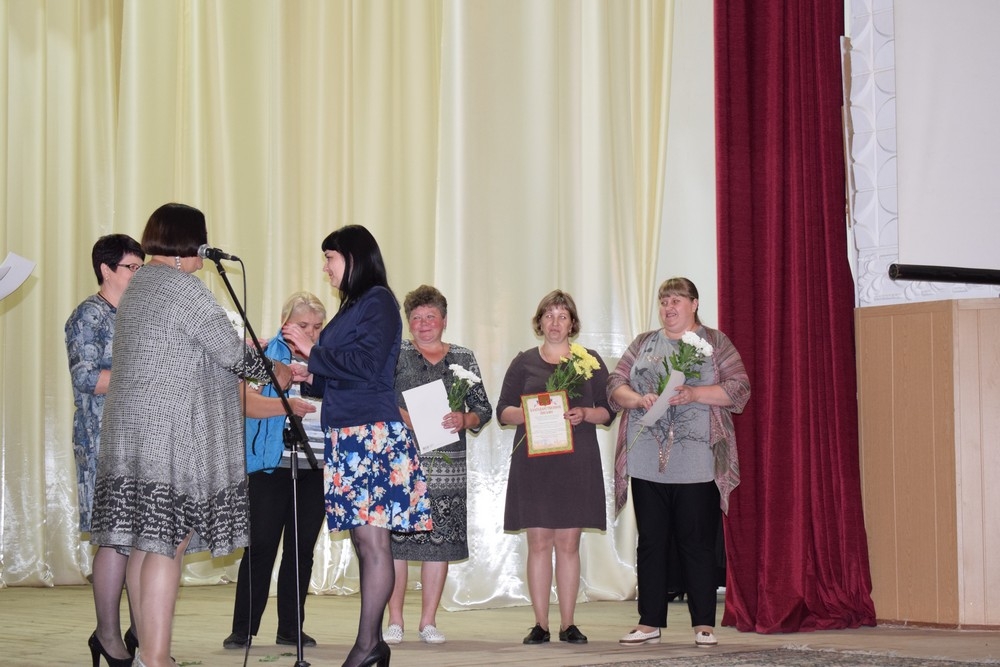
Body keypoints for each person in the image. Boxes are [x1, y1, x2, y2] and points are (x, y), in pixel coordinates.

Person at [89, 203, 292, 667]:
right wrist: (276, 370)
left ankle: (148, 654)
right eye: (202, 239)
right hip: (170, 433)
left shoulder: (141, 284)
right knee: (168, 543)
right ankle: (156, 657)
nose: (206, 248)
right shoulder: (183, 288)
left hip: (134, 434)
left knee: (148, 542)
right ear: (187, 243)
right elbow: (232, 354)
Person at [282, 225, 432, 667]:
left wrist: (313, 350)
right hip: (349, 434)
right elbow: (342, 375)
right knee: (366, 544)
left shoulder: (378, 301)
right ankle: (373, 645)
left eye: (330, 257)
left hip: (371, 435)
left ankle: (367, 645)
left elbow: (367, 366)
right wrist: (309, 372)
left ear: (353, 257)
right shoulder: (352, 306)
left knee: (373, 544)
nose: (326, 268)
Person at [607, 276, 750, 649]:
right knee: (651, 542)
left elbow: (739, 388)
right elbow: (615, 384)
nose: (668, 308)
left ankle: (703, 624)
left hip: (697, 461)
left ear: (694, 304)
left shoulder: (715, 342)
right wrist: (637, 399)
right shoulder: (644, 343)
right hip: (645, 459)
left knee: (696, 543)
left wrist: (695, 393)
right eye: (663, 301)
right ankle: (648, 622)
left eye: (676, 301)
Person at [496, 289, 614, 646]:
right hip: (535, 465)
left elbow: (608, 409)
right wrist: (527, 414)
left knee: (568, 543)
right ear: (539, 322)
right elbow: (502, 411)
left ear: (572, 323)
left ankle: (568, 623)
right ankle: (540, 624)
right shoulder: (524, 362)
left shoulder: (589, 361)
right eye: (549, 315)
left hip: (576, 463)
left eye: (562, 316)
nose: (555, 322)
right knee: (538, 543)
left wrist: (586, 413)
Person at [384, 285, 493, 645]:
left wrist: (465, 419)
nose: (423, 323)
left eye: (430, 316)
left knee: (440, 543)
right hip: (401, 462)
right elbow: (377, 397)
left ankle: (428, 621)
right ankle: (394, 620)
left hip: (448, 468)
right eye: (416, 317)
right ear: (408, 322)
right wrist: (403, 416)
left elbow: (483, 408)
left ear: (444, 320)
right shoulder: (395, 354)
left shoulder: (463, 356)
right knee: (396, 546)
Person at [223, 292, 328, 651]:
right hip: (271, 465)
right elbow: (244, 401)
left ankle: (291, 628)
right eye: (303, 325)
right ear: (285, 324)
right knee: (261, 546)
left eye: (317, 326)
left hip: (316, 466)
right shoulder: (266, 355)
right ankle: (243, 629)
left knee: (302, 550)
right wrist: (286, 406)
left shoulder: (328, 360)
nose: (311, 333)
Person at [65, 234, 145, 667]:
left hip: (142, 440)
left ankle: (143, 632)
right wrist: (144, 374)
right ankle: (107, 636)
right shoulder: (88, 316)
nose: (138, 274)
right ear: (106, 270)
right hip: (103, 441)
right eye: (132, 267)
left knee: (142, 538)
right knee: (115, 538)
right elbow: (86, 378)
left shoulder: (137, 315)